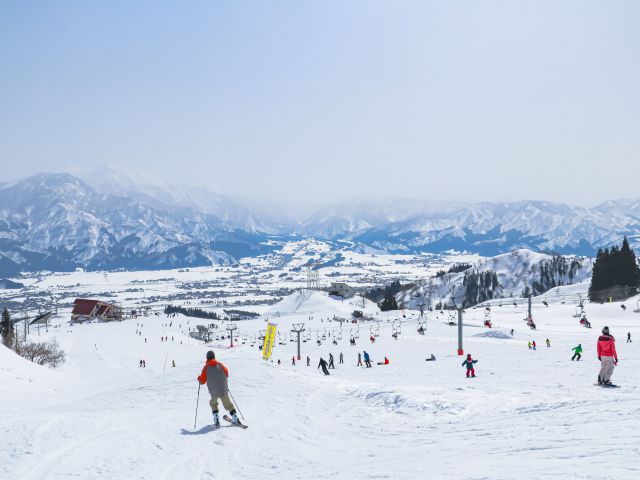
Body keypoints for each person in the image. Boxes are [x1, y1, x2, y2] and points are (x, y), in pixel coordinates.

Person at [197, 350, 240, 427]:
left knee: (213, 403)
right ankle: (235, 418)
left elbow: (202, 381)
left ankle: (216, 420)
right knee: (228, 404)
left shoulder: (206, 368)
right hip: (223, 389)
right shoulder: (220, 365)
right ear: (214, 357)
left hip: (213, 392)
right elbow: (226, 373)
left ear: (207, 358)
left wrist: (199, 378)